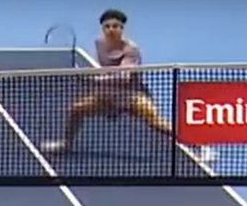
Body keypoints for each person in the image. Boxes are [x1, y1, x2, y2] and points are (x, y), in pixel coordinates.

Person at [41, 9, 176, 154]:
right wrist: (92, 79)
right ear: (103, 29)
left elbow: (124, 78)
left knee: (156, 123)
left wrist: (93, 80)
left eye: (115, 26)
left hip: (132, 97)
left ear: (122, 28)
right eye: (107, 26)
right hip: (107, 95)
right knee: (76, 110)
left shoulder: (131, 49)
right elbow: (101, 68)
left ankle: (189, 138)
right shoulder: (99, 44)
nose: (111, 30)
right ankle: (66, 145)